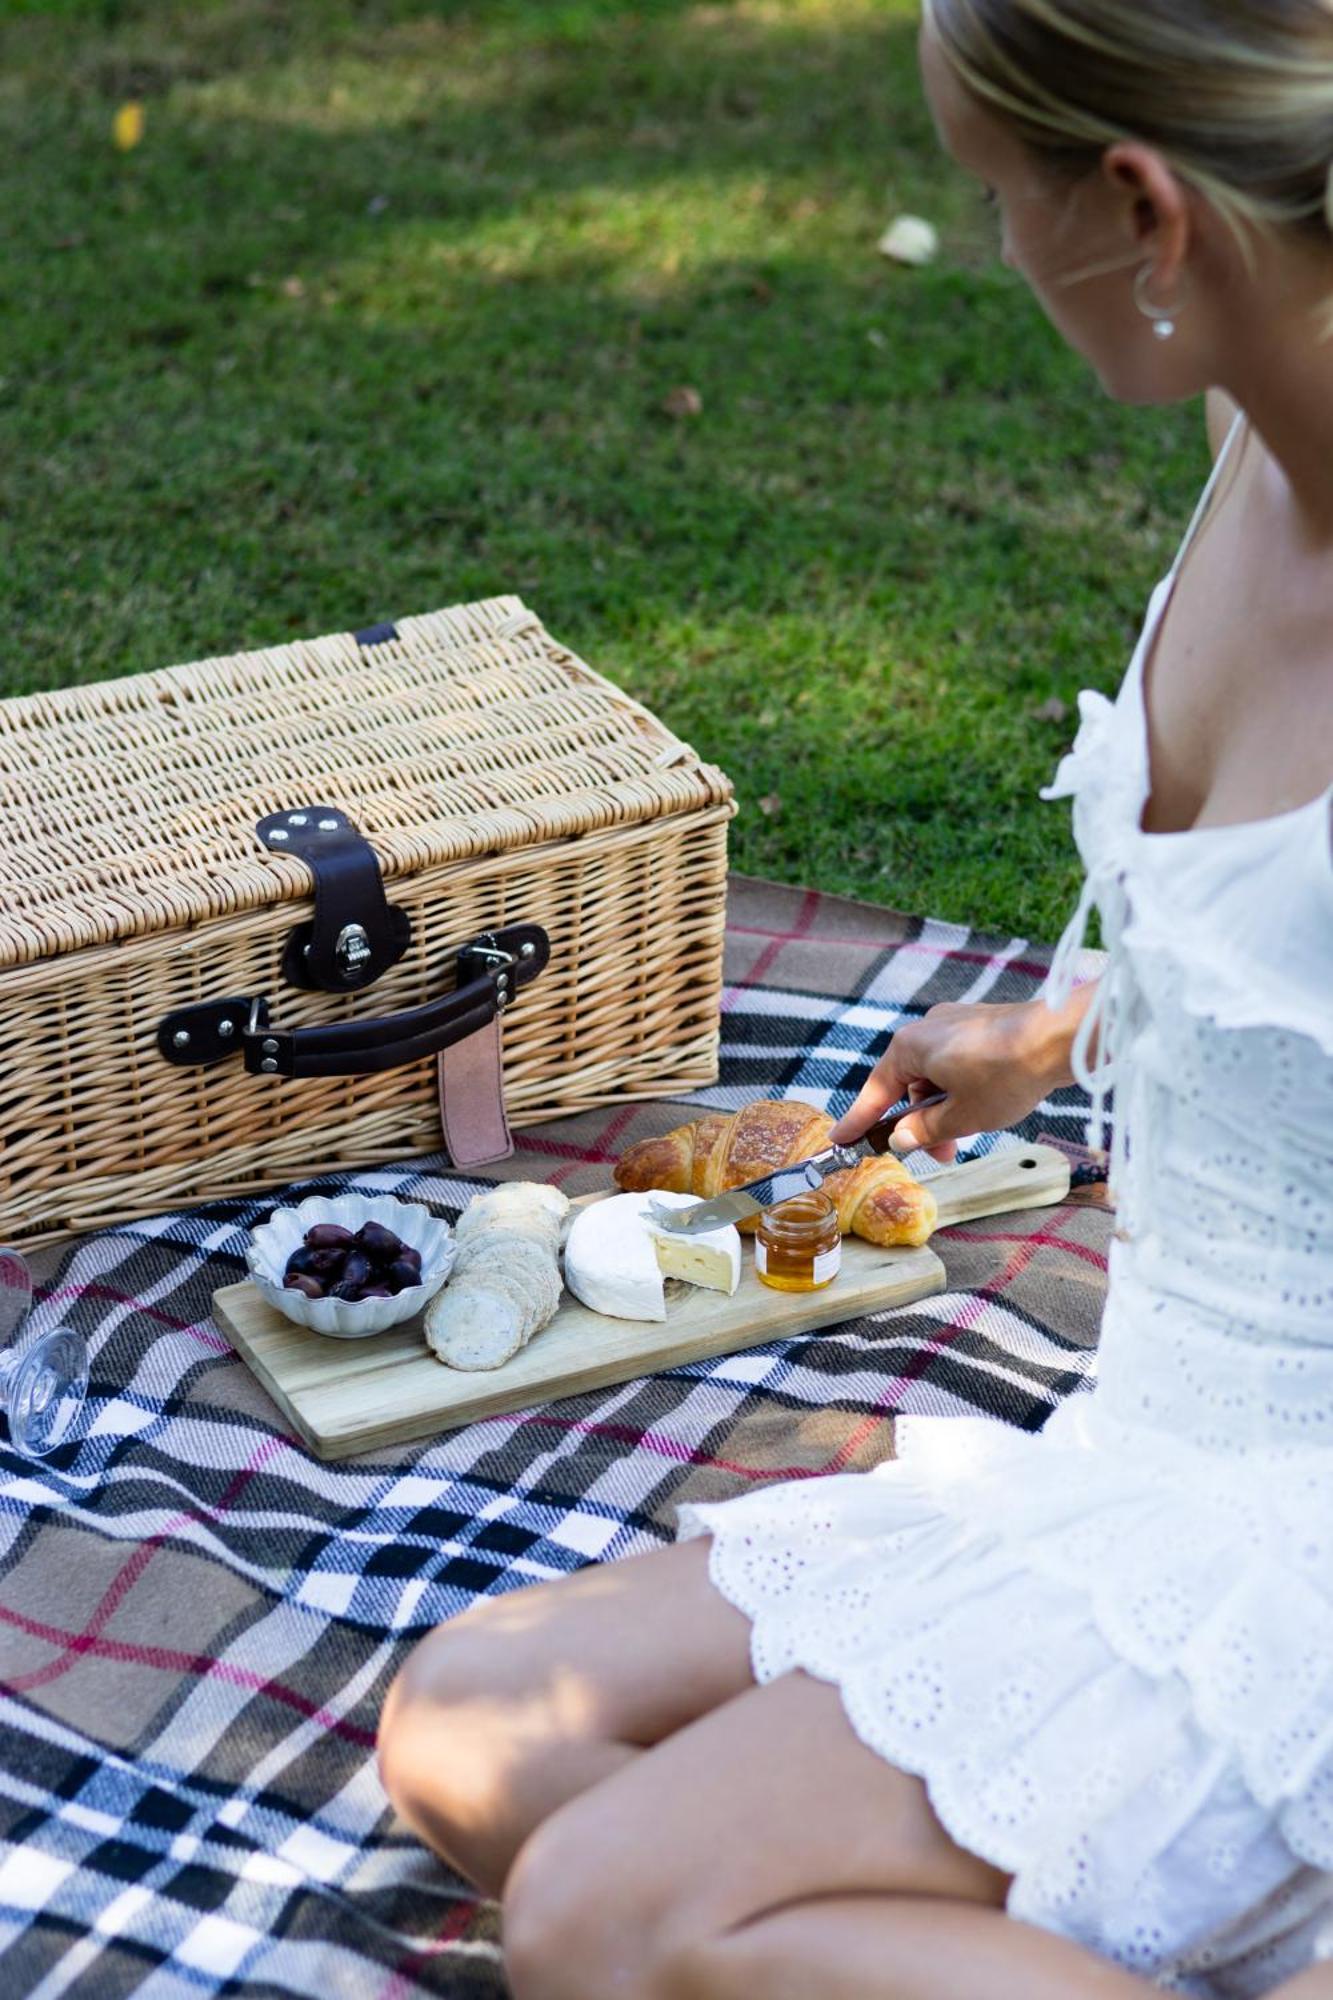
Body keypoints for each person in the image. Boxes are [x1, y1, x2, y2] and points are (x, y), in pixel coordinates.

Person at [376, 0, 1333, 1989]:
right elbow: (1270, 909)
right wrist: (1061, 1029)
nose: (997, 247)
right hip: (1134, 1441)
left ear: (1145, 214)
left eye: (998, 198)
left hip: (1284, 1544)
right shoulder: (1269, 420)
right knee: (470, 1727)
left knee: (597, 1912)